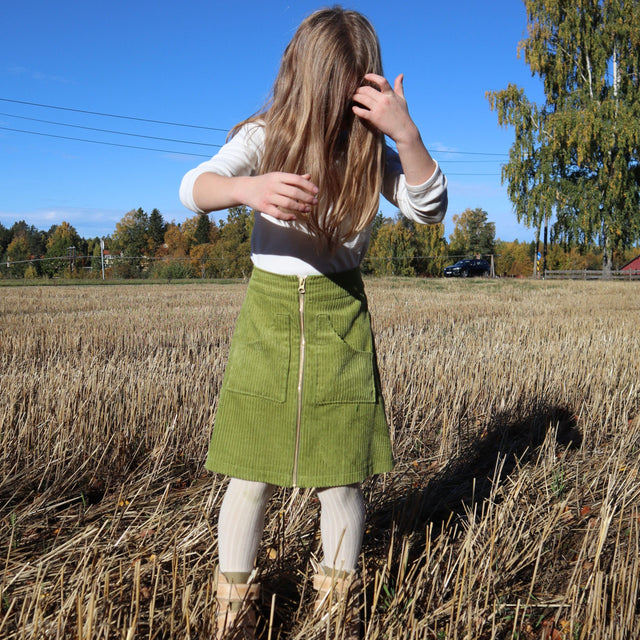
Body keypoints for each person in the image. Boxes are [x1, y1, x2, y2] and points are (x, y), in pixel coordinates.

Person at [179, 7, 447, 638]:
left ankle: (332, 615)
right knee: (250, 471)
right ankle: (232, 612)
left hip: (339, 322)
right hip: (266, 318)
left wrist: (405, 135)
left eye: (350, 94)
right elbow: (194, 185)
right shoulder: (264, 136)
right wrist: (247, 190)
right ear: (301, 78)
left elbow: (429, 208)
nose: (333, 112)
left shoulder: (370, 152)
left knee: (340, 479)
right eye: (328, 91)